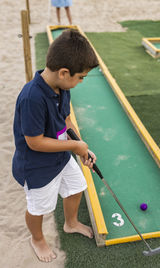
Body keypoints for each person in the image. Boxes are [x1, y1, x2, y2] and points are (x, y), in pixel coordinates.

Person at [12, 29, 99, 263]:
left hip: (60, 156)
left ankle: (71, 223)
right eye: (81, 77)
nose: (81, 82)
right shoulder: (32, 97)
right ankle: (37, 238)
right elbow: (35, 141)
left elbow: (67, 120)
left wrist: (80, 146)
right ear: (63, 72)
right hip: (37, 165)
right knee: (38, 207)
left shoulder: (62, 87)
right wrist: (74, 146)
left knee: (76, 186)